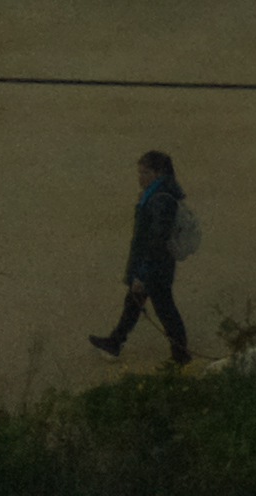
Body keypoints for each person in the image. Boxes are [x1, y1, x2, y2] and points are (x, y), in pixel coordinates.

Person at [86, 150, 191, 367]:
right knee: (134, 304)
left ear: (158, 173)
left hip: (154, 268)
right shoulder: (157, 194)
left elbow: (155, 242)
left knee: (165, 310)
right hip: (155, 266)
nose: (140, 178)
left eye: (144, 173)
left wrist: (142, 275)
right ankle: (115, 342)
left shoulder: (160, 200)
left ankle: (181, 356)